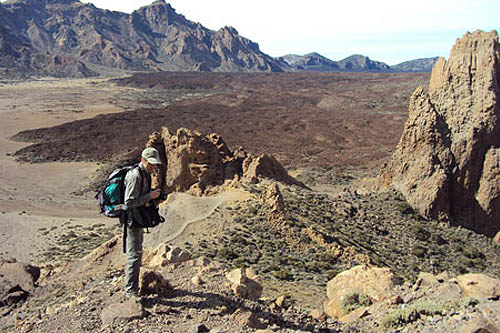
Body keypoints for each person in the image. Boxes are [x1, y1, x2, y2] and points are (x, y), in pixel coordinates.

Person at [121, 147, 162, 298]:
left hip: (138, 219)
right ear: (143, 160)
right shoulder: (135, 176)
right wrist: (149, 196)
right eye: (151, 163)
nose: (153, 167)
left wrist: (153, 197)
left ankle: (133, 288)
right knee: (134, 255)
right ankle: (130, 292)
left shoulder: (145, 174)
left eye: (155, 164)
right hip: (132, 220)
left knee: (137, 254)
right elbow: (129, 202)